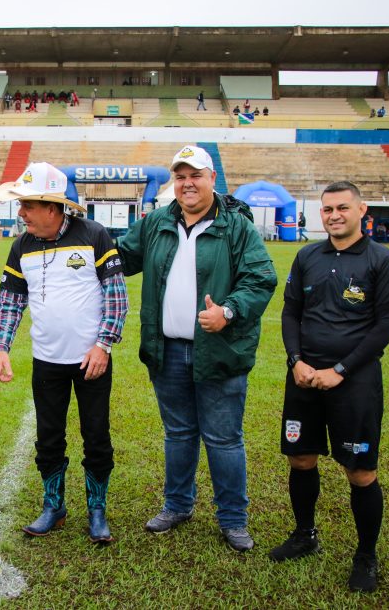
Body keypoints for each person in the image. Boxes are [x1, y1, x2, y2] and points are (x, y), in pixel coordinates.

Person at [116, 145, 277, 552]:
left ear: (212, 180)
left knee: (223, 439)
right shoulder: (156, 222)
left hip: (220, 350)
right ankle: (178, 505)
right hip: (166, 350)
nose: (188, 183)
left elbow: (261, 279)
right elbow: (117, 256)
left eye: (196, 175)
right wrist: (77, 236)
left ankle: (233, 519)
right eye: (180, 176)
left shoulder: (237, 226)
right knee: (179, 434)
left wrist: (229, 310)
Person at [271, 181, 389, 593]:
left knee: (360, 471)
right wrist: (297, 362)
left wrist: (341, 370)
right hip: (304, 379)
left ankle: (366, 555)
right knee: (301, 458)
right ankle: (304, 535)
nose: (333, 215)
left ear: (361, 210)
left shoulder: (384, 260)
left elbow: (385, 327)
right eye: (327, 209)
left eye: (342, 208)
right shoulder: (307, 255)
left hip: (355, 384)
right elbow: (291, 312)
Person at [0, 162, 128, 544]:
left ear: (52, 207)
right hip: (46, 362)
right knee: (48, 438)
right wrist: (1, 348)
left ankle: (96, 509)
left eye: (27, 206)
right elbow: (10, 301)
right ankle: (54, 505)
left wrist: (103, 345)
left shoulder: (95, 235)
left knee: (96, 436)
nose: (21, 213)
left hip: (92, 361)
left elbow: (116, 299)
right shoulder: (21, 245)